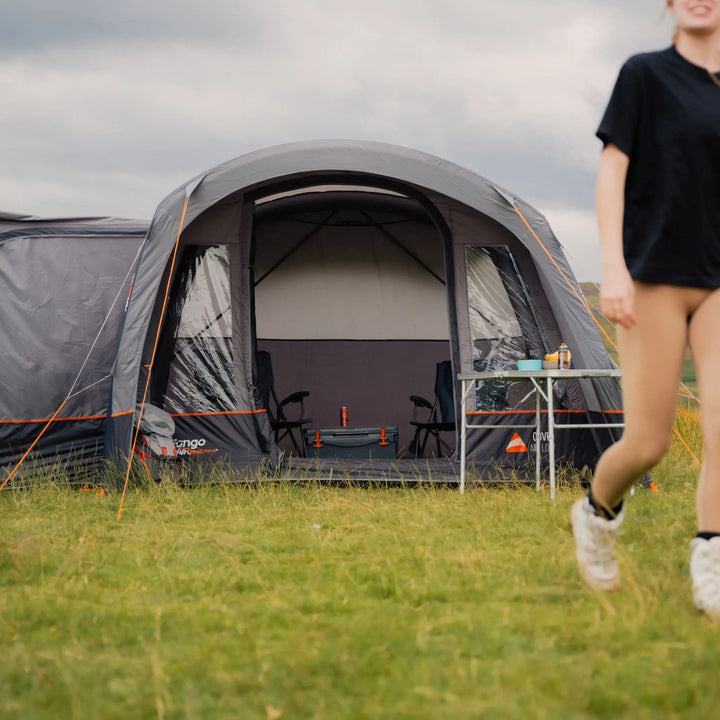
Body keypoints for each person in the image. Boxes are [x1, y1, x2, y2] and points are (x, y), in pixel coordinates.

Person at [570, 0, 720, 621]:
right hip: (653, 275)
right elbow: (613, 173)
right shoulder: (644, 75)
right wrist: (612, 267)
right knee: (648, 443)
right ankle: (596, 513)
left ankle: (711, 557)